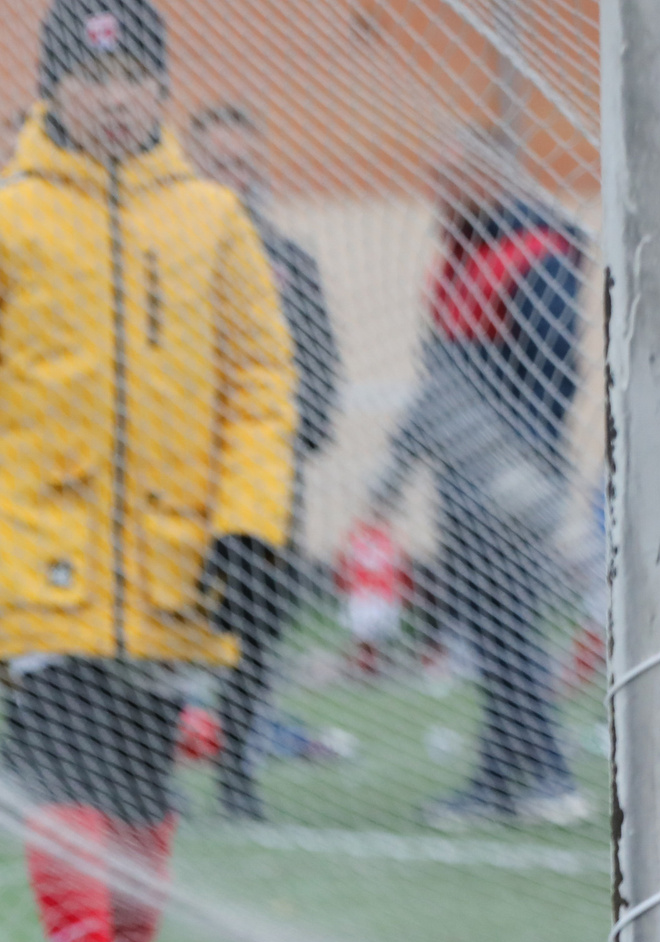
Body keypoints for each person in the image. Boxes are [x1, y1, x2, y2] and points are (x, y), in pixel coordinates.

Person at [0, 0, 297, 942]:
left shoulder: (214, 219)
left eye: (132, 82)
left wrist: (249, 529)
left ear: (162, 91)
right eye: (90, 80)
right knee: (61, 773)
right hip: (37, 559)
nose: (112, 100)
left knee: (138, 792)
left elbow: (260, 386)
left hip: (175, 568)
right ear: (52, 89)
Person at [360, 128, 587, 829]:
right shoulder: (465, 259)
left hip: (507, 484)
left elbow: (554, 374)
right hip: (466, 482)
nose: (439, 190)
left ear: (495, 177)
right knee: (494, 632)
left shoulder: (534, 257)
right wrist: (396, 474)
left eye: (453, 175)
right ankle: (504, 781)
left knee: (507, 629)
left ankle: (545, 776)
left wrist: (524, 470)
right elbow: (440, 386)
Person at [186, 103, 342, 823]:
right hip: (174, 489)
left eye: (242, 163)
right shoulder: (158, 255)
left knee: (254, 637)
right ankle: (148, 776)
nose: (232, 176)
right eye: (217, 162)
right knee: (164, 632)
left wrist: (267, 448)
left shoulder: (289, 261)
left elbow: (320, 383)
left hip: (264, 493)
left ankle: (238, 779)